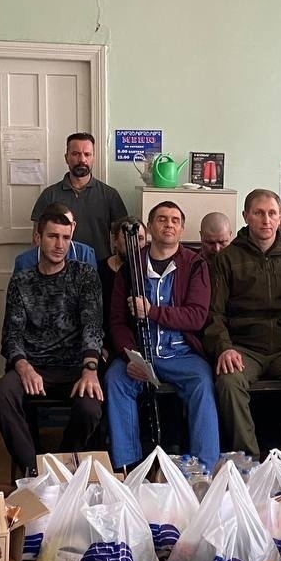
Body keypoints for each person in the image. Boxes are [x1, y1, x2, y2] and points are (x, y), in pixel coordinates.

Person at [206, 189, 281, 464]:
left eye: (272, 213)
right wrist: (224, 348)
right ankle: (248, 461)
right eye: (259, 213)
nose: (266, 220)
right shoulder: (227, 259)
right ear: (246, 216)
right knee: (228, 381)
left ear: (279, 218)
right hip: (244, 348)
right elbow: (213, 313)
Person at [107, 201, 219, 470]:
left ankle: (204, 468)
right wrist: (130, 355)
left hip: (182, 354)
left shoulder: (195, 265)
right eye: (161, 219)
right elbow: (117, 321)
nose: (168, 224)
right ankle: (128, 466)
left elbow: (196, 317)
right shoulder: (131, 266)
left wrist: (152, 312)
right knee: (115, 381)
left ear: (181, 228)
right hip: (141, 354)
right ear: (150, 226)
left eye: (175, 220)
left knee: (202, 383)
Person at [0, 204, 104, 472]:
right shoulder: (22, 281)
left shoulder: (84, 275)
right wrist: (24, 366)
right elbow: (12, 334)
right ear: (37, 238)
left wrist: (90, 369)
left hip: (75, 367)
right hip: (34, 366)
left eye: (66, 238)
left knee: (91, 407)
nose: (60, 244)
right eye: (53, 236)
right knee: (1, 393)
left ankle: (60, 466)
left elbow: (93, 324)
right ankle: (33, 470)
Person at [30, 132, 126, 255]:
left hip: (100, 268)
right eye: (75, 154)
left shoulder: (110, 195)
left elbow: (121, 238)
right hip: (58, 267)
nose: (82, 160)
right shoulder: (49, 195)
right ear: (66, 158)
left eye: (87, 154)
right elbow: (36, 239)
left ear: (93, 158)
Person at [97, 216, 145, 360]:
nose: (135, 243)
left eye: (140, 238)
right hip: (105, 342)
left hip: (135, 343)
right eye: (127, 237)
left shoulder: (147, 272)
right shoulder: (98, 270)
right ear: (115, 240)